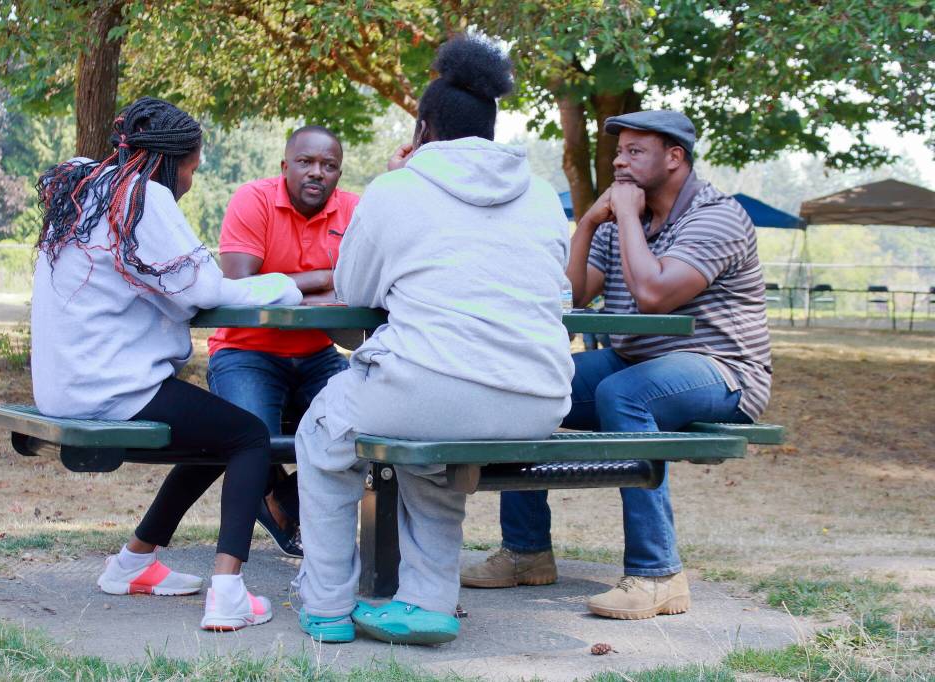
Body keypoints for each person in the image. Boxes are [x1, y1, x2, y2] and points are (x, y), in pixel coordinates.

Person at [291, 34, 574, 646]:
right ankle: (425, 603)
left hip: (426, 385)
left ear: (422, 127)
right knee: (436, 462)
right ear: (492, 127)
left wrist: (399, 182)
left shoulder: (397, 190)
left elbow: (356, 288)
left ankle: (328, 607)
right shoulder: (544, 200)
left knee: (321, 438)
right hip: (538, 398)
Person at [461, 110, 772, 621]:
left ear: (675, 158)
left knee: (625, 394)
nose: (619, 163)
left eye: (634, 152)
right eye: (618, 152)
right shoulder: (622, 216)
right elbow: (574, 293)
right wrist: (588, 221)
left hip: (724, 371)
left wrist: (625, 215)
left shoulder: (717, 216)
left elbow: (652, 295)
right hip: (636, 361)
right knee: (529, 382)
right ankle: (526, 552)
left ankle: (658, 575)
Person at [30, 97, 303, 631]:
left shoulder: (89, 190)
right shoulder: (143, 196)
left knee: (213, 435)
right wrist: (285, 285)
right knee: (248, 436)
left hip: (67, 383)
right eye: (193, 169)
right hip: (110, 387)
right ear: (172, 161)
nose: (192, 182)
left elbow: (168, 286)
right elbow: (198, 290)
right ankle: (228, 594)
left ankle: (133, 563)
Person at [205, 126, 360, 557]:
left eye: (329, 166)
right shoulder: (252, 200)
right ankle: (267, 498)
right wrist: (322, 279)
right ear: (284, 166)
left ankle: (280, 500)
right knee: (252, 440)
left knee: (371, 427)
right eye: (306, 162)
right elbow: (239, 284)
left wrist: (289, 289)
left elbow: (362, 288)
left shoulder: (355, 211)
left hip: (317, 353)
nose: (317, 173)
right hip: (246, 351)